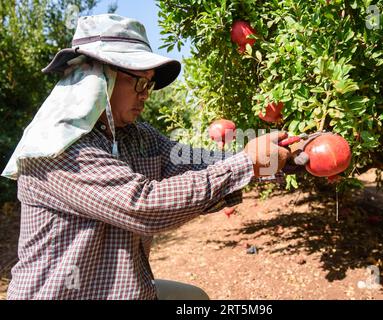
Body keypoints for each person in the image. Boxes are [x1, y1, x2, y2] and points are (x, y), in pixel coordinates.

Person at [1, 14, 291, 300]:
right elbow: (143, 205)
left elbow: (190, 159)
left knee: (194, 299)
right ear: (99, 79)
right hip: (64, 294)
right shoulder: (57, 150)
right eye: (140, 83)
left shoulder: (135, 135)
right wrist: (245, 164)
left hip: (126, 290)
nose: (146, 95)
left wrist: (286, 158)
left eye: (150, 85)